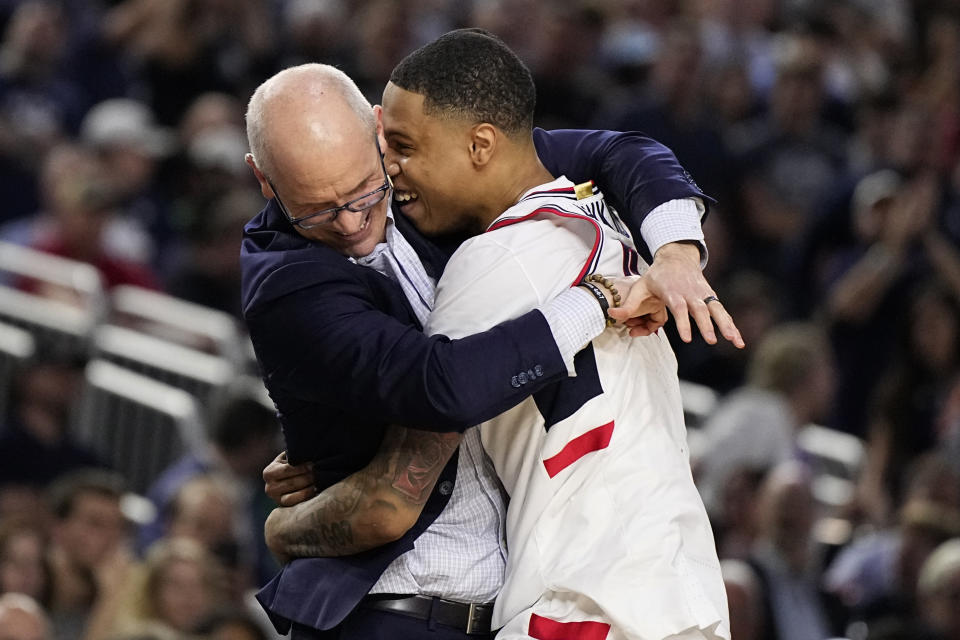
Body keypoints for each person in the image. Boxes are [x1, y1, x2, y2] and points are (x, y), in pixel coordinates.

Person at [242, 58, 740, 638]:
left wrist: (677, 253)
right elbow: (439, 386)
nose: (353, 223)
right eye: (319, 210)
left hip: (504, 603)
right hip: (387, 608)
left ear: (379, 134)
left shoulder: (431, 182)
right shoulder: (286, 285)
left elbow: (622, 151)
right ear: (264, 180)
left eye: (363, 191)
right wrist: (600, 298)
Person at [373, 28, 728, 638]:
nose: (390, 168)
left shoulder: (492, 259)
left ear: (481, 145)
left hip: (579, 597)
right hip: (677, 588)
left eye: (404, 146)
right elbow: (629, 152)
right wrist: (674, 252)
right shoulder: (609, 216)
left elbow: (427, 416)